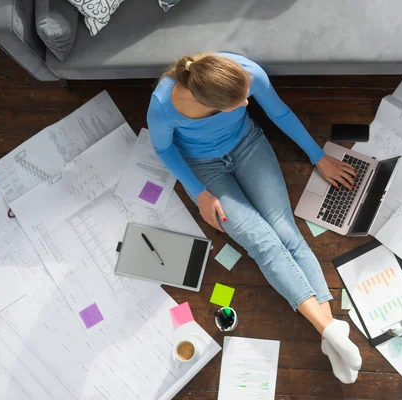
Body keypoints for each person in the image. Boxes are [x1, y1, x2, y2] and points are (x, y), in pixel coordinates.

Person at [147, 52, 362, 383]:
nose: (248, 103)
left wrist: (318, 156)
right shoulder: (163, 105)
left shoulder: (245, 72)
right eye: (238, 103)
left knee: (286, 233)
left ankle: (330, 333)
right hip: (204, 168)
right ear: (212, 104)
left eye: (246, 95)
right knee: (263, 243)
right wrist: (199, 192)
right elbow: (164, 150)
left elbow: (279, 112)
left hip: (249, 147)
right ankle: (330, 329)